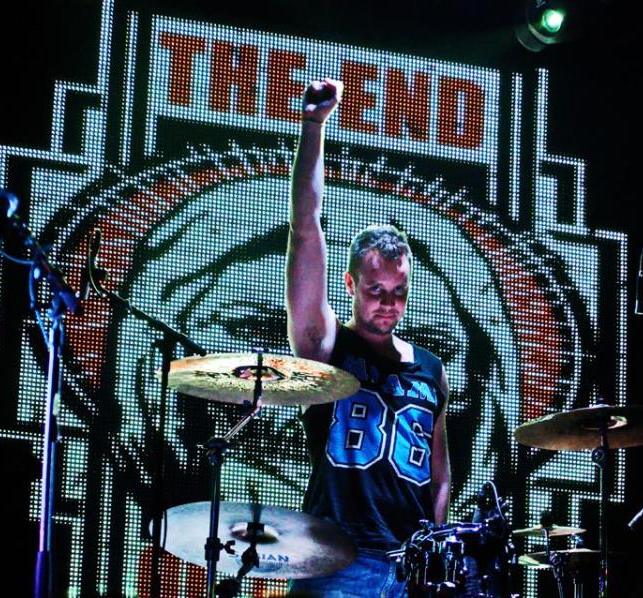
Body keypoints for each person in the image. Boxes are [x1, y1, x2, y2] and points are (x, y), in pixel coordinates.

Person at [285, 78, 452, 597]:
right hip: (334, 559)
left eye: (399, 291)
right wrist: (313, 127)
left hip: (406, 569)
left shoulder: (430, 368)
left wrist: (431, 556)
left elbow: (440, 475)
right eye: (376, 290)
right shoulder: (327, 345)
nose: (388, 302)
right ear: (351, 285)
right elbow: (305, 228)